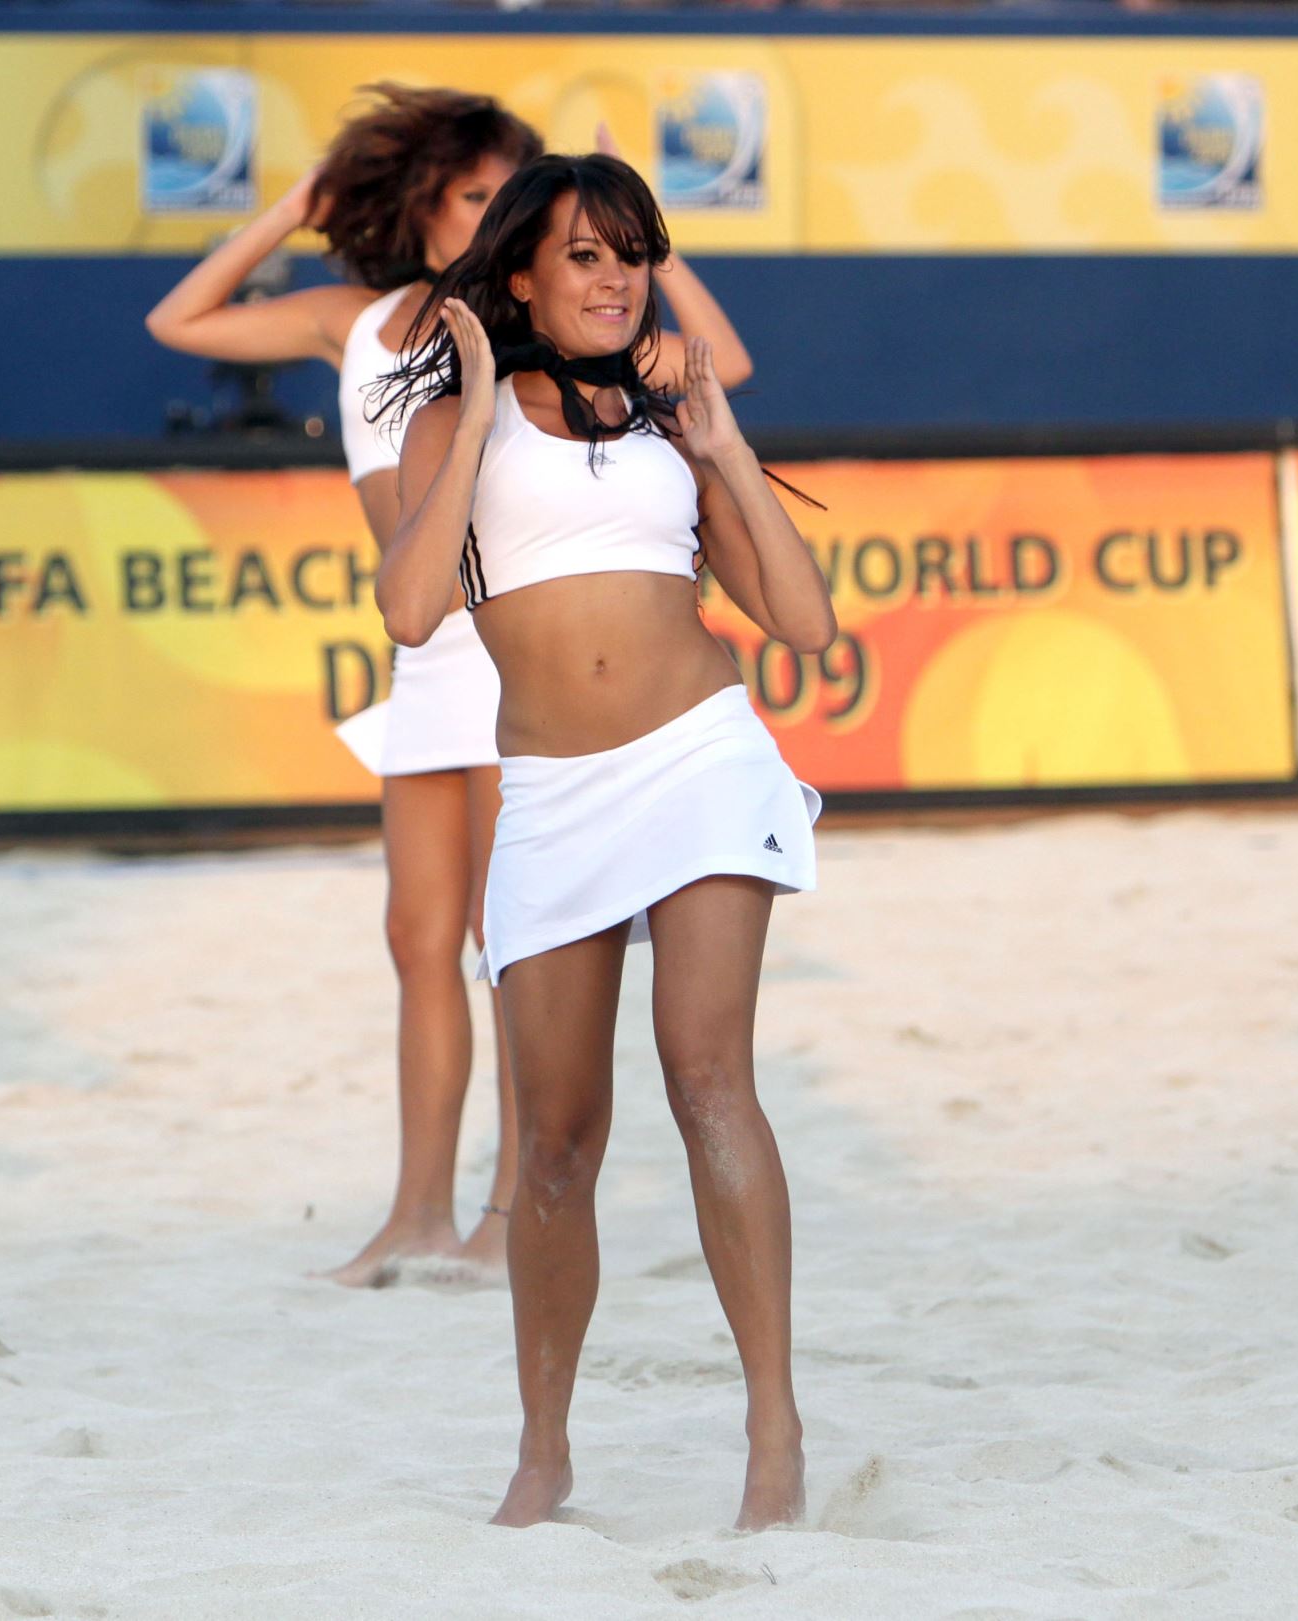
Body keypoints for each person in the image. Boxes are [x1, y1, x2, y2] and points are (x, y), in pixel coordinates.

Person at [147, 88, 754, 1285]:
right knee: (417, 939)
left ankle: (500, 1208)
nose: (493, 214)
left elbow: (720, 366)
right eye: (475, 193)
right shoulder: (355, 321)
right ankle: (416, 1208)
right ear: (423, 205)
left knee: (505, 943)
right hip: (420, 650)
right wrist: (297, 205)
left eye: (508, 197)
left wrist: (645, 226)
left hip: (511, 651)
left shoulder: (537, 337)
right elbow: (182, 318)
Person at [377, 154, 832, 1528]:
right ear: (521, 274)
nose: (613, 276)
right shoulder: (453, 423)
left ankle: (771, 1429)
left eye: (630, 253)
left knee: (708, 1078)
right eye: (582, 254)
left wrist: (722, 444)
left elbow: (802, 625)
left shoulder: (664, 424)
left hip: (699, 760)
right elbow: (408, 612)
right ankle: (543, 1446)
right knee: (558, 1145)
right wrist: (463, 418)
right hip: (556, 800)